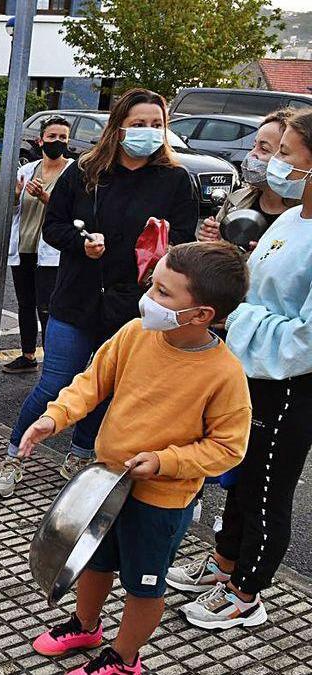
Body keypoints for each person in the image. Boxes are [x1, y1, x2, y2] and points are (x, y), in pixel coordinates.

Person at [19, 242, 250, 675]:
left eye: (164, 293)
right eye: (153, 283)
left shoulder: (225, 374)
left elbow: (227, 447)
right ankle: (86, 625)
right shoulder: (135, 333)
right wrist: (55, 418)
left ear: (201, 314)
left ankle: (125, 658)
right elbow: (92, 382)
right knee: (94, 562)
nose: (150, 298)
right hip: (106, 483)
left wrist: (166, 462)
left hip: (160, 501)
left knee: (144, 584)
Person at [0, 88, 198, 497]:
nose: (148, 132)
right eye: (139, 125)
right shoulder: (86, 171)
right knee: (56, 385)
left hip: (133, 305)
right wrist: (80, 243)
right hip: (76, 298)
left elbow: (183, 242)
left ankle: (81, 451)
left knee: (107, 387)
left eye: (156, 125)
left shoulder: (176, 180)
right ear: (118, 128)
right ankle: (15, 454)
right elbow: (53, 226)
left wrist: (162, 249)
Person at [169, 108, 312, 631]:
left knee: (269, 485)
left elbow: (306, 339)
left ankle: (248, 590)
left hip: (291, 384)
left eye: (285, 155)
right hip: (249, 370)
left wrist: (238, 317)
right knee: (241, 474)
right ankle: (225, 561)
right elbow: (255, 284)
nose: (272, 163)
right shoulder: (293, 221)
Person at [2, 116, 74, 375]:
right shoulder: (26, 170)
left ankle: (52, 362)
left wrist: (44, 196)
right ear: (40, 140)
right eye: (52, 137)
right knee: (25, 304)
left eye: (63, 138)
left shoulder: (73, 172)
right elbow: (11, 209)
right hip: (24, 244)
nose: (57, 142)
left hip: (51, 251)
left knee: (47, 307)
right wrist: (17, 194)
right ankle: (27, 355)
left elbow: (71, 213)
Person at [195, 108, 298, 245]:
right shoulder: (237, 199)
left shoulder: (303, 214)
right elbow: (213, 257)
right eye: (253, 146)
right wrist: (212, 240)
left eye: (264, 149)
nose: (251, 155)